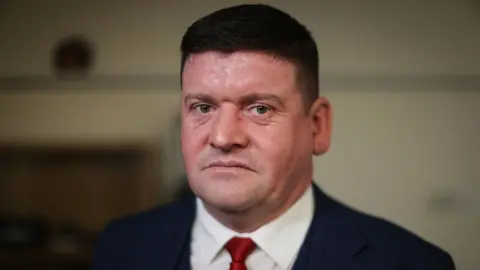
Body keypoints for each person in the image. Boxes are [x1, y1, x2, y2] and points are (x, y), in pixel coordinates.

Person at [91, 4, 455, 270]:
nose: (222, 137)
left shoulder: (411, 263)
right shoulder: (121, 247)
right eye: (202, 107)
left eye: (259, 109)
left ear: (317, 126)